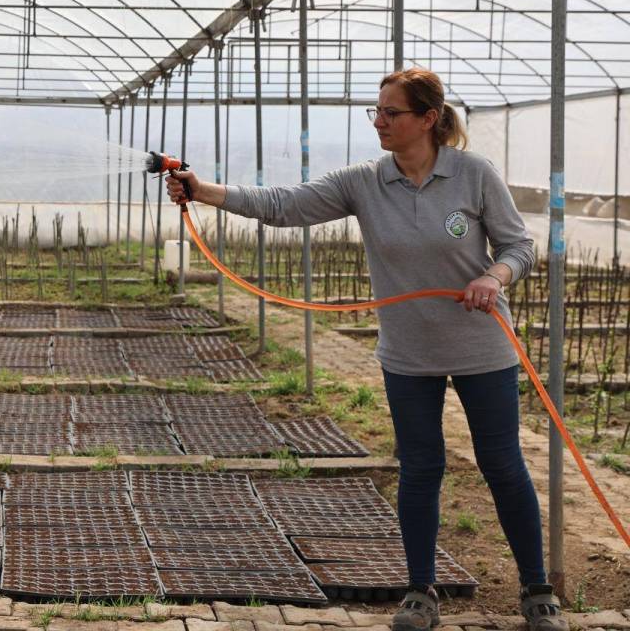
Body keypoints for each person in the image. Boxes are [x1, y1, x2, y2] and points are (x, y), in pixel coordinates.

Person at [165, 68, 566, 631]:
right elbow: (286, 204)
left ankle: (536, 589)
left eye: (390, 112)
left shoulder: (473, 175)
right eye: (375, 112)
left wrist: (495, 276)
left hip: (482, 348)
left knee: (502, 465)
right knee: (421, 467)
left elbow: (519, 244)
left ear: (427, 119)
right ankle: (420, 591)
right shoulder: (366, 181)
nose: (378, 122)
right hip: (407, 353)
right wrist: (205, 191)